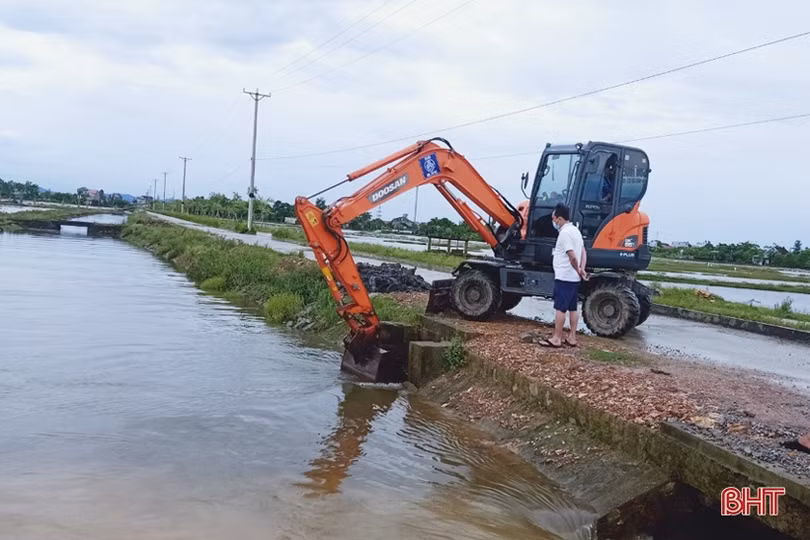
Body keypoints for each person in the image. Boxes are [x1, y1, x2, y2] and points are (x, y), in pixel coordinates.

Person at [541, 203, 588, 348]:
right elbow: (583, 252)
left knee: (560, 308)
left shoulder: (565, 233)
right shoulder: (576, 231)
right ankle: (572, 337)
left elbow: (572, 255)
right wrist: (582, 269)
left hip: (565, 276)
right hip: (573, 278)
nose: (553, 221)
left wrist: (578, 269)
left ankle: (557, 338)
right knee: (573, 308)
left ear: (560, 219)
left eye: (554, 218)